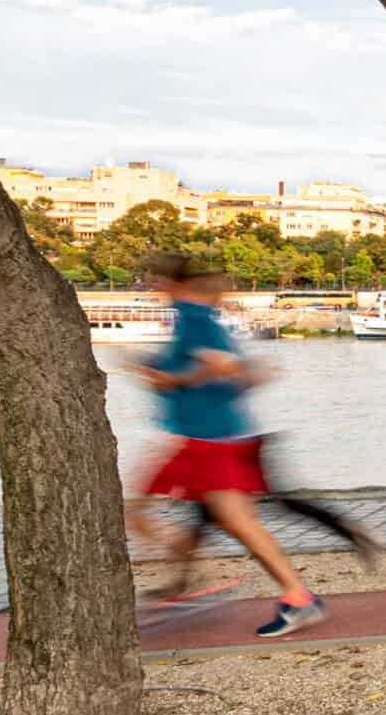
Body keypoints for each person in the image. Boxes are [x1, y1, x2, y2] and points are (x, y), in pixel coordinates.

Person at [127, 256, 329, 637]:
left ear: (174, 283)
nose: (152, 289)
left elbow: (220, 369)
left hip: (206, 440)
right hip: (218, 436)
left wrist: (170, 379)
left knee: (156, 514)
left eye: (155, 281)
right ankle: (183, 581)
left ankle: (298, 597)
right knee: (225, 520)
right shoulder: (204, 322)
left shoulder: (192, 319)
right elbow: (241, 374)